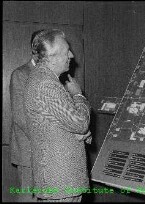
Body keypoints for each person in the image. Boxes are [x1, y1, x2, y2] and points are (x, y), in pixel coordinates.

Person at [24, 29, 91, 202]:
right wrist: (78, 95)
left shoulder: (43, 79)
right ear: (51, 57)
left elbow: (56, 125)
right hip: (60, 181)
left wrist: (80, 134)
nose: (71, 55)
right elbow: (80, 122)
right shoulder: (47, 84)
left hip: (60, 181)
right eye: (66, 51)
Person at [9, 29, 46, 202]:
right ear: (35, 48)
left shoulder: (54, 76)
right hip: (28, 150)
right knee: (28, 197)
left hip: (48, 150)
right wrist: (48, 140)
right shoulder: (20, 74)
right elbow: (21, 118)